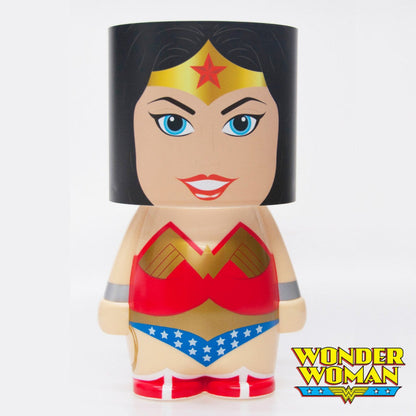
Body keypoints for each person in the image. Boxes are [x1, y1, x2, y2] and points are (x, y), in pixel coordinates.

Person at [99, 21, 306, 400]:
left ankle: (246, 373)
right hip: (158, 332)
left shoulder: (258, 216)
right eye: (173, 123)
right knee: (163, 373)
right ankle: (163, 374)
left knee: (247, 372)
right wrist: (115, 302)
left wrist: (290, 301)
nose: (208, 158)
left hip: (251, 331)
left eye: (241, 123)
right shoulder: (147, 218)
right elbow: (125, 260)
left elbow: (280, 259)